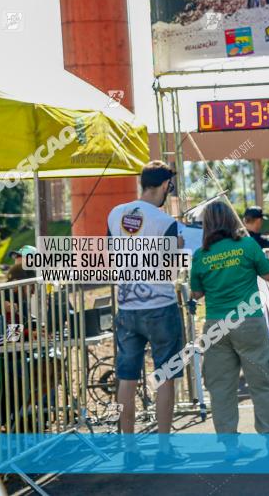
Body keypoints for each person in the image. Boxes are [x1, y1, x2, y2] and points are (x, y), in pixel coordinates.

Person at [106, 161, 187, 469]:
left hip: (126, 305)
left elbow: (114, 255)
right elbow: (171, 268)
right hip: (160, 304)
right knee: (166, 376)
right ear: (165, 185)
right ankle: (164, 450)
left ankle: (129, 450)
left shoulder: (115, 214)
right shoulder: (164, 221)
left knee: (126, 377)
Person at [190, 200, 269, 460]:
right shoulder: (247, 246)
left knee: (221, 388)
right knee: (262, 382)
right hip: (248, 321)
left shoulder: (200, 255)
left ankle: (230, 446)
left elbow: (197, 293)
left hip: (216, 326)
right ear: (233, 220)